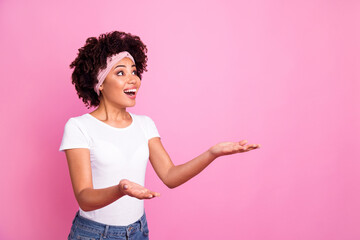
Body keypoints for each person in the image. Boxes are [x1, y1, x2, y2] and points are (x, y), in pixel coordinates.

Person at [59, 31, 261, 240]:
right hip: (95, 234)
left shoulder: (145, 125)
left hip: (137, 231)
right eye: (120, 73)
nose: (133, 80)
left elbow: (170, 176)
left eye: (134, 72)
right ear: (99, 83)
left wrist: (212, 153)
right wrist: (121, 189)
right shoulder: (80, 127)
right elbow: (84, 198)